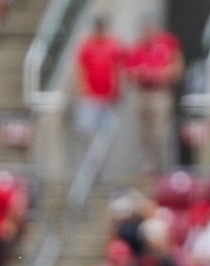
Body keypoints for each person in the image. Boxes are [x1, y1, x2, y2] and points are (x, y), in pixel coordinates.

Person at [126, 18, 184, 176]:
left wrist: (161, 74)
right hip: (143, 92)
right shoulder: (137, 47)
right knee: (145, 133)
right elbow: (130, 71)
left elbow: (177, 67)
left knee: (161, 131)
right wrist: (143, 72)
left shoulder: (168, 43)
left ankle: (165, 165)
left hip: (160, 92)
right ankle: (149, 165)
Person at [74, 16, 125, 154]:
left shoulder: (114, 44)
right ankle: (89, 162)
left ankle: (100, 165)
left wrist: (118, 88)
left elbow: (119, 68)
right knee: (87, 129)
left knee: (108, 133)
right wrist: (83, 85)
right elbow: (81, 67)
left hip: (109, 96)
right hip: (91, 95)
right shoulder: (87, 45)